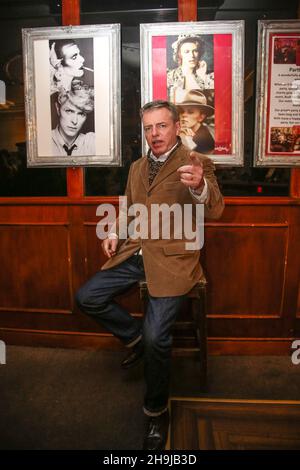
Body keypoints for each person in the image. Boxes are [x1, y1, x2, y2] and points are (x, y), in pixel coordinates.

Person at [75, 100, 224, 450]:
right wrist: (114, 232)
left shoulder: (196, 163)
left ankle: (156, 412)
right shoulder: (137, 167)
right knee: (87, 297)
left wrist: (200, 187)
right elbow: (130, 206)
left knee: (159, 337)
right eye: (147, 128)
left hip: (173, 260)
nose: (153, 134)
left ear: (175, 127)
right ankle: (137, 340)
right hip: (136, 252)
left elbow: (215, 208)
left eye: (161, 126)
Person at [51, 83, 95, 156]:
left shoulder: (92, 142)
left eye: (81, 114)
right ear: (58, 109)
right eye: (69, 111)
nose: (75, 121)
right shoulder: (42, 141)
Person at [167, 34, 214, 103]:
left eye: (195, 51)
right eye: (187, 52)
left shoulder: (209, 76)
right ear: (179, 54)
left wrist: (203, 77)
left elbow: (212, 102)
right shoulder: (170, 77)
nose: (192, 55)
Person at [176, 89, 215, 154]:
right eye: (182, 111)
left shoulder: (206, 140)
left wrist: (187, 140)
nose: (184, 115)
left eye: (190, 112)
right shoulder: (179, 132)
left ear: (201, 117)